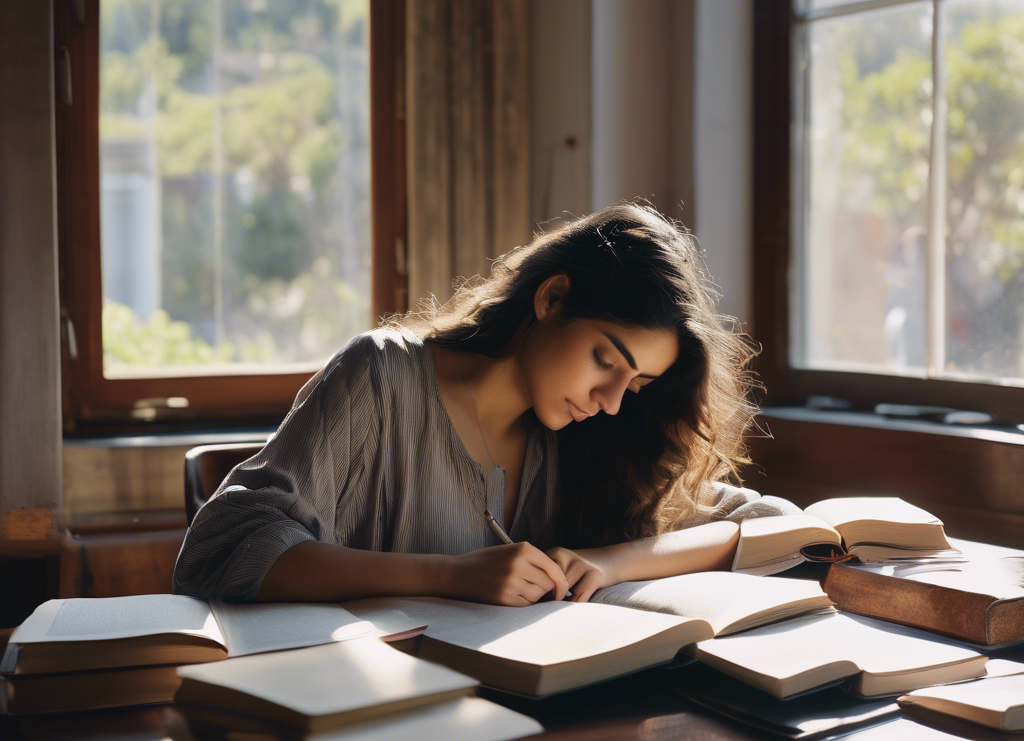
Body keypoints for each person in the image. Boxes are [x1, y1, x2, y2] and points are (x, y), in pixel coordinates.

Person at [172, 201, 796, 606]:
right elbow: (224, 545)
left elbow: (776, 526)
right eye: (606, 359)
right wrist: (447, 576)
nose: (611, 402)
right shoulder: (382, 377)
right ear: (552, 299)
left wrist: (610, 561)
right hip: (378, 724)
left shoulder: (597, 440)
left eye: (633, 386)